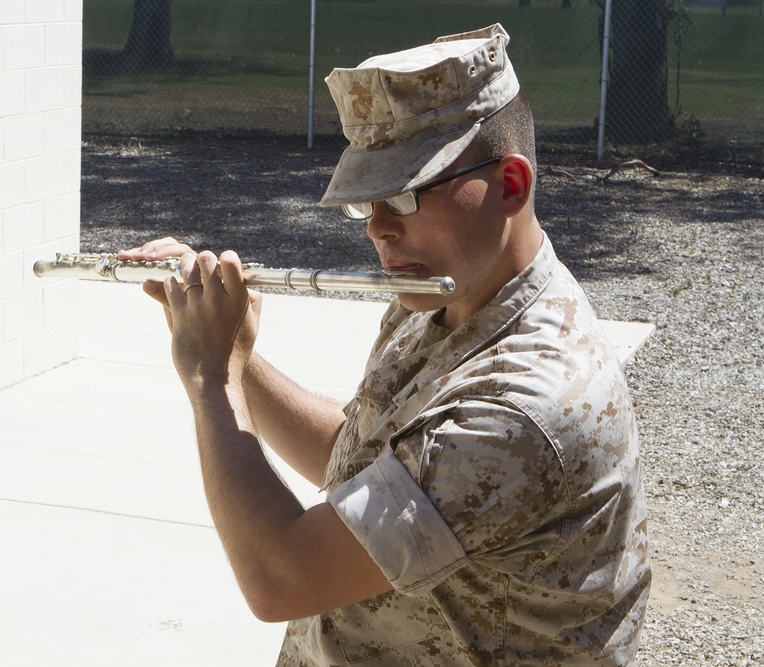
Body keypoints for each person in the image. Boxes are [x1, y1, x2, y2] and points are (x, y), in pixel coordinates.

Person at [119, 23, 650, 666]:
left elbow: (281, 577)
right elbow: (365, 460)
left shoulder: (525, 403)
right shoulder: (446, 295)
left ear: (511, 185)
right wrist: (236, 351)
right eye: (367, 200)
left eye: (403, 193)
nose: (378, 227)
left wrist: (213, 378)